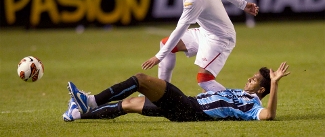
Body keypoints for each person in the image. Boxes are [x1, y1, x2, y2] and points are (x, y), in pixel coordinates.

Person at [141, 0, 259, 93]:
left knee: (204, 80)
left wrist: (158, 57)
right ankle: (161, 94)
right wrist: (243, 4)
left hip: (220, 38)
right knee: (166, 44)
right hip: (206, 32)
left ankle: (240, 102)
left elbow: (180, 28)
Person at [63, 62, 290, 122]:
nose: (249, 79)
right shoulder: (238, 94)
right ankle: (78, 114)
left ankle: (91, 101)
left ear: (261, 89)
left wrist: (275, 83)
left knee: (141, 80)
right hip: (187, 107)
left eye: (255, 80)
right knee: (129, 104)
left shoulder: (253, 106)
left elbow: (269, 116)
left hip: (188, 109)